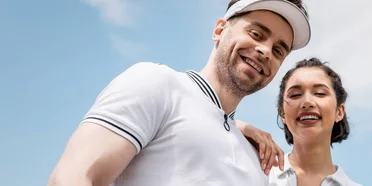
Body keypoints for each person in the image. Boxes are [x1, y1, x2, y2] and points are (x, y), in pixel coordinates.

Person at [47, 0, 311, 185]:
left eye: (278, 50)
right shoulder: (157, 83)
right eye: (256, 33)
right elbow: (73, 177)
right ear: (220, 30)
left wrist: (236, 127)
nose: (266, 50)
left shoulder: (255, 157)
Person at [238, 58, 361, 186]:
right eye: (295, 95)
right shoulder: (259, 173)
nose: (307, 102)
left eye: (319, 93)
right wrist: (235, 127)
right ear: (282, 114)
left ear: (339, 112)